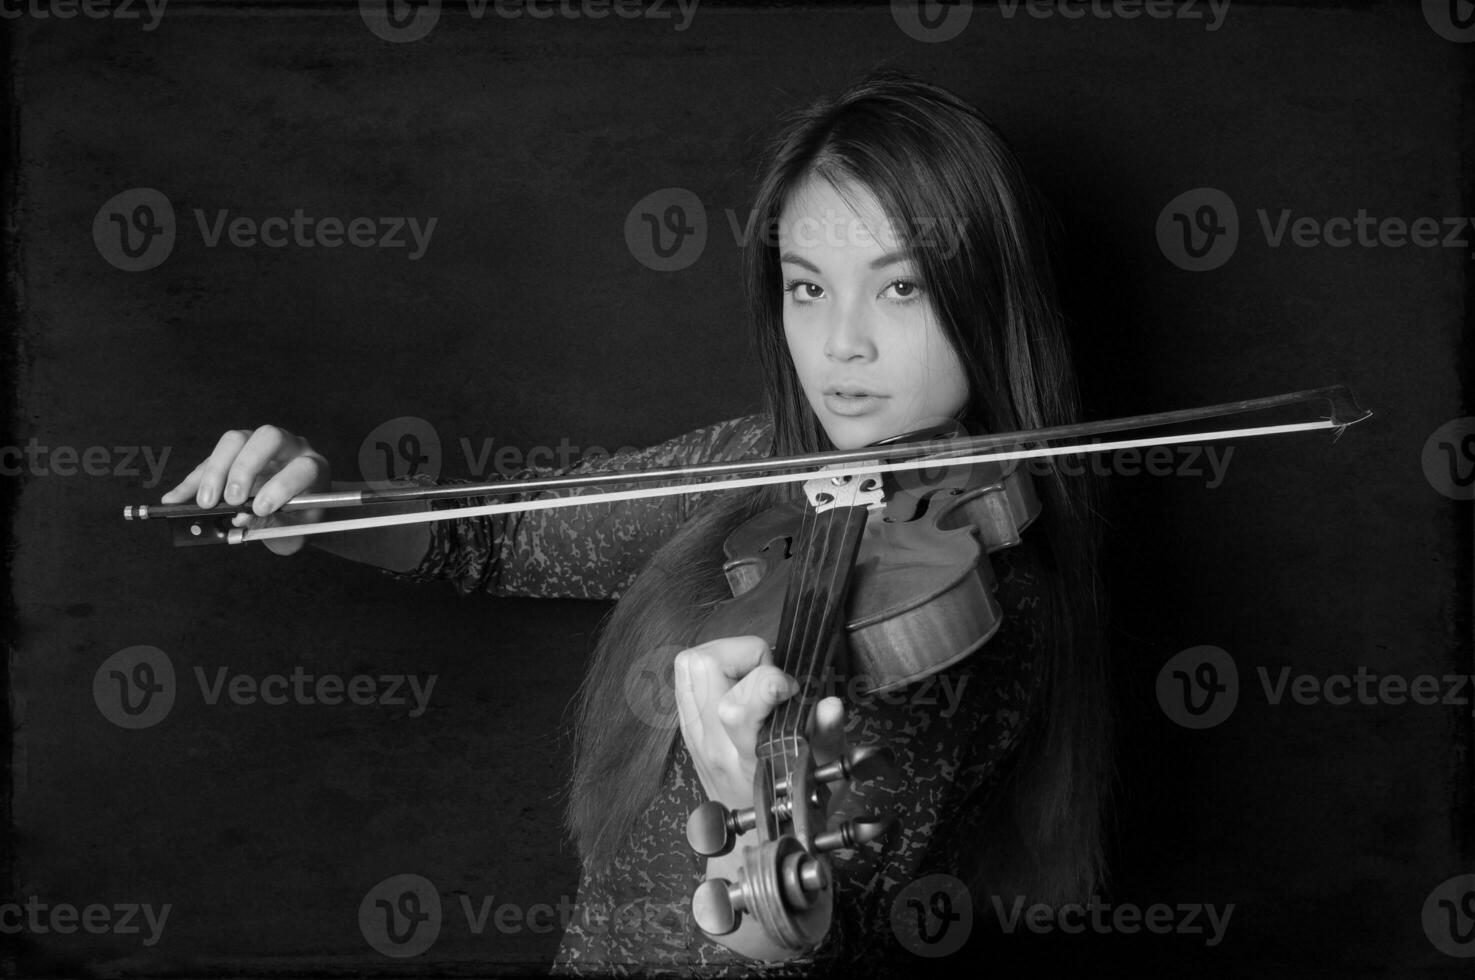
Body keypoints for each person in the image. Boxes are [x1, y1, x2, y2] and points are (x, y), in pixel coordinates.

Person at [161, 69, 1110, 976]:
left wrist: (749, 819)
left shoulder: (981, 605)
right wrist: (325, 511)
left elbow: (812, 941)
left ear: (990, 293)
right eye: (807, 286)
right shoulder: (766, 460)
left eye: (901, 287)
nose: (840, 343)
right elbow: (498, 535)